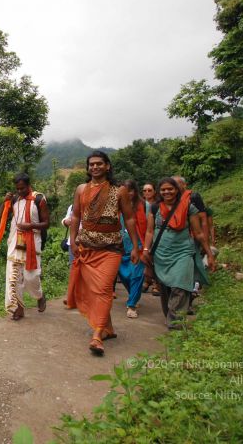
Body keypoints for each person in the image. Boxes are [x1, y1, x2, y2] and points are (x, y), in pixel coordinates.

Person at [68, 151, 140, 355]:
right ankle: (108, 329)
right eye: (91, 164)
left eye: (99, 163)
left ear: (108, 166)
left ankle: (97, 335)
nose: (95, 167)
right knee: (95, 291)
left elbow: (130, 219)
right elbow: (75, 216)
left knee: (103, 288)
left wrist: (136, 246)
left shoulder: (119, 191)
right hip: (87, 248)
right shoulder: (81, 189)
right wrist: (73, 241)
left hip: (111, 249)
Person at [141, 177, 216, 330]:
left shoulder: (188, 207)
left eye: (170, 189)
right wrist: (146, 250)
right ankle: (170, 315)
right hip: (161, 254)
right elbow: (149, 231)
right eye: (163, 189)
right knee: (165, 287)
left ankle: (175, 323)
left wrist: (209, 254)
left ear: (176, 190)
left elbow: (198, 233)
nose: (167, 192)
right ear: (159, 192)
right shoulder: (155, 208)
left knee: (180, 286)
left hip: (183, 252)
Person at [0, 173, 49, 321]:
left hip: (32, 241)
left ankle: (39, 296)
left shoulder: (39, 199)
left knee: (31, 276)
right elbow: (2, 216)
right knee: (14, 277)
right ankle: (18, 309)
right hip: (15, 241)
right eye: (17, 189)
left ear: (28, 185)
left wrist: (30, 225)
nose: (20, 191)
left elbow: (46, 223)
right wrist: (5, 202)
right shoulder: (15, 199)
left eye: (23, 188)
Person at [118, 180, 147, 318]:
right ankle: (133, 295)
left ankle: (131, 305)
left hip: (138, 246)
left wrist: (147, 248)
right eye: (124, 190)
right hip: (120, 246)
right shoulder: (115, 207)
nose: (127, 193)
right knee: (124, 275)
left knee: (136, 275)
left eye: (130, 190)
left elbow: (149, 228)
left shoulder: (144, 206)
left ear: (135, 191)